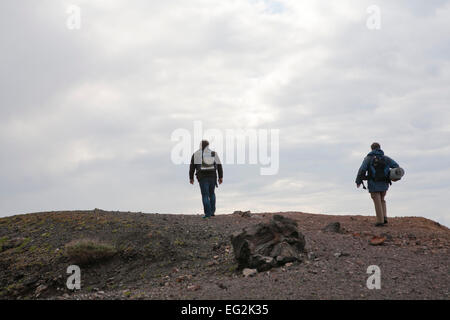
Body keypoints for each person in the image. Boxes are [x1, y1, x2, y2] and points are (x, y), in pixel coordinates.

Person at [355, 142, 399, 227]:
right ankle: (384, 217)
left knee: (377, 200)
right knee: (382, 199)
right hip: (385, 183)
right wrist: (391, 175)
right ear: (379, 148)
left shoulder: (368, 158)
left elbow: (362, 169)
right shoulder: (386, 158)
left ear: (372, 149)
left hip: (373, 183)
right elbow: (396, 166)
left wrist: (358, 181)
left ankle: (380, 221)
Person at [189, 140, 223, 219]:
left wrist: (191, 178)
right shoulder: (213, 153)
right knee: (212, 194)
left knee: (205, 195)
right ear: (208, 145)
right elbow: (219, 166)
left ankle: (207, 214)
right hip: (212, 176)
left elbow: (192, 167)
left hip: (202, 177)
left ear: (200, 145)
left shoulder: (196, 154)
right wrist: (220, 177)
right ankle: (212, 212)